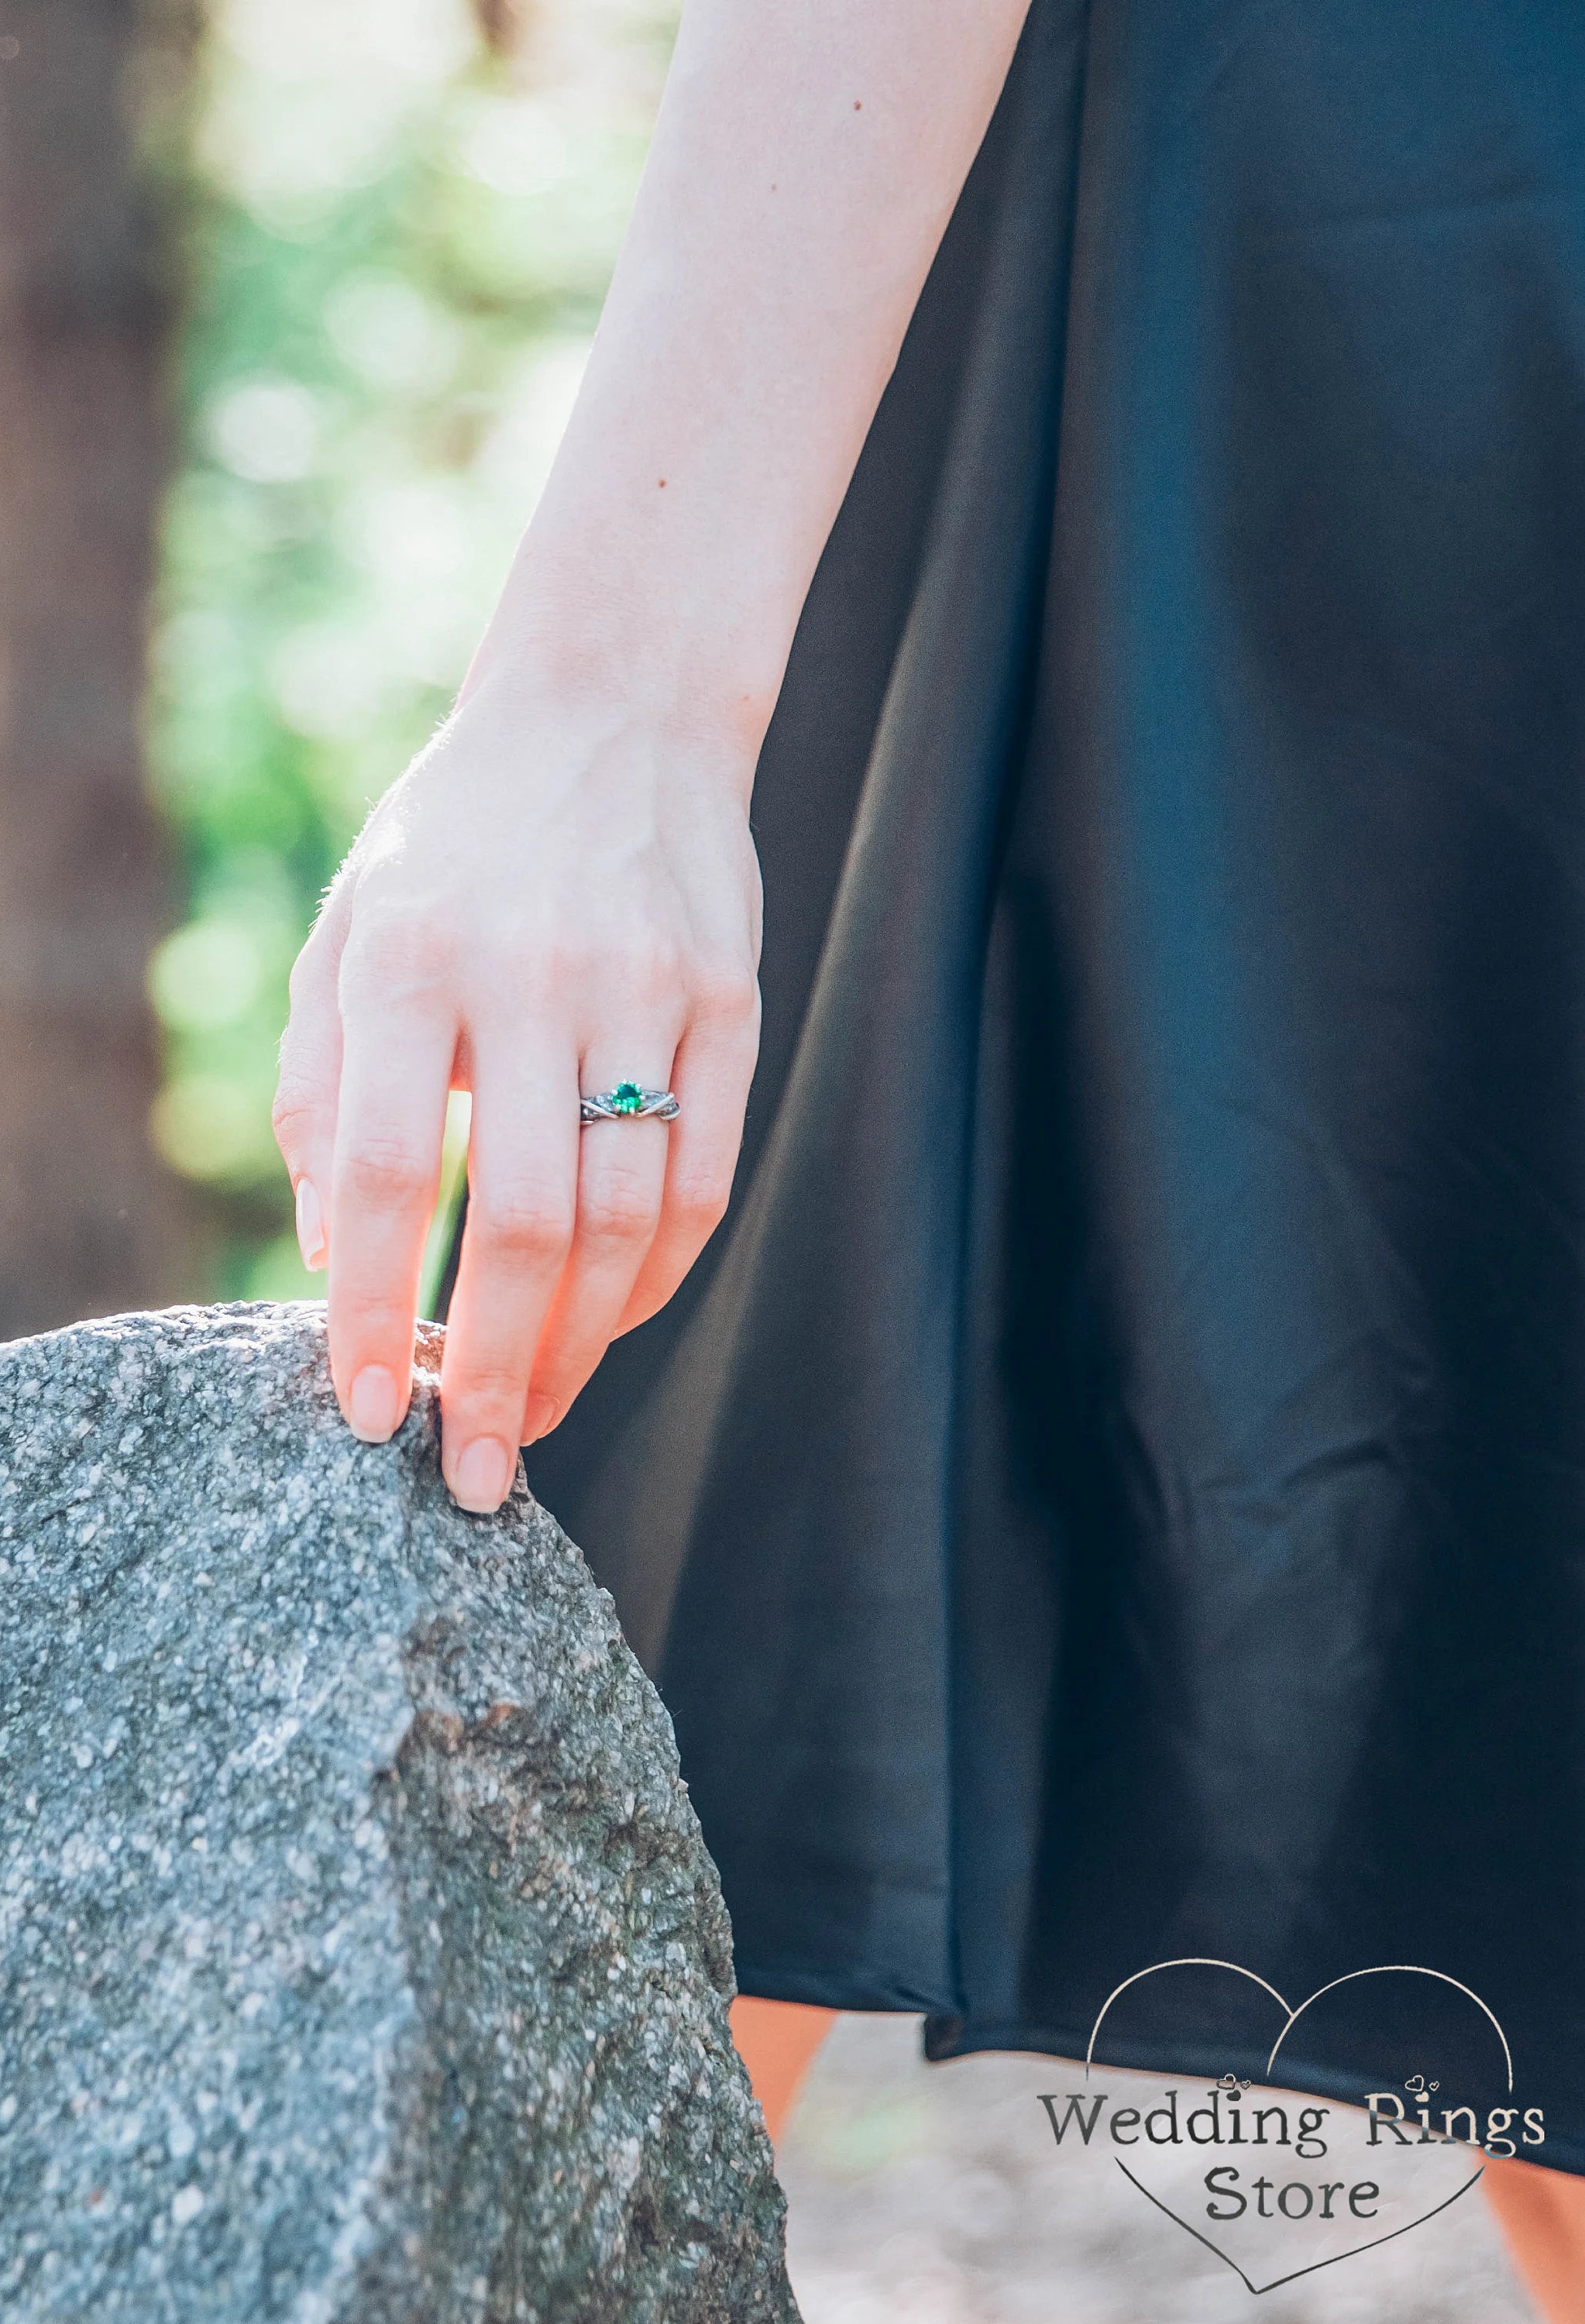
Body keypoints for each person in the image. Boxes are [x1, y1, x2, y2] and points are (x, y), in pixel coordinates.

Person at [272, 0, 1585, 2308]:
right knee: (590, 1714)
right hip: (1271, 249)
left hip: (1274, 243)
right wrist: (616, 692)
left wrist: (617, 691)